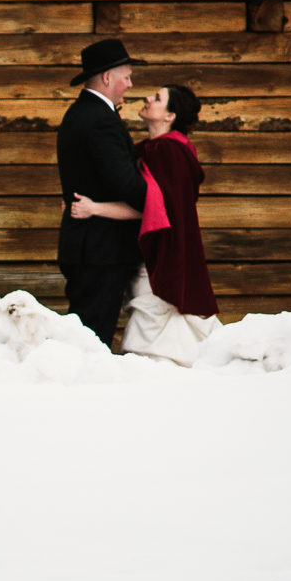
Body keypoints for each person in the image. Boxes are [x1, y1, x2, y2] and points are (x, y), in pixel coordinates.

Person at [69, 86, 220, 365]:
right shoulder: (156, 148)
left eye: (158, 98)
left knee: (157, 328)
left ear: (169, 116)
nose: (148, 98)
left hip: (161, 256)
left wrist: (94, 208)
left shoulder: (167, 151)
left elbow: (155, 210)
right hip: (153, 252)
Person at [56, 38, 147, 349]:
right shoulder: (100, 120)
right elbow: (125, 183)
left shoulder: (79, 113)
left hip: (88, 244)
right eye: (127, 77)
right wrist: (164, 203)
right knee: (91, 339)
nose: (130, 85)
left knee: (87, 332)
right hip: (100, 248)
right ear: (108, 77)